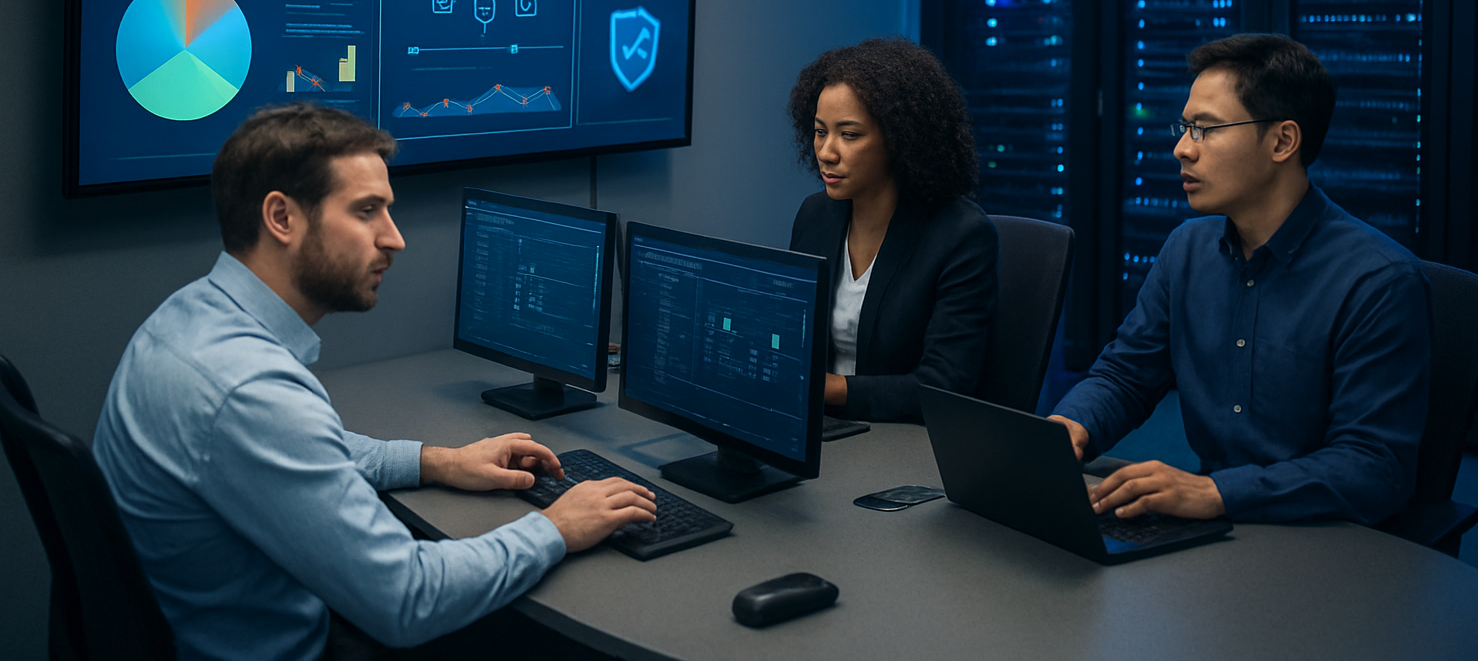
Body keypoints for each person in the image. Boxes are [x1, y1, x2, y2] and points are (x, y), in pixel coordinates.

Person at [93, 103, 657, 661]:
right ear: (281, 218)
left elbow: (302, 454)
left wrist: (436, 461)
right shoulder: (248, 391)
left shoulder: (189, 318)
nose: (395, 238)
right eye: (367, 211)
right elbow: (408, 600)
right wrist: (558, 528)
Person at [1049, 34, 1431, 526]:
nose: (1182, 149)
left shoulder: (1379, 282)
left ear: (1282, 141)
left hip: (1323, 542)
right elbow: (1126, 375)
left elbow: (1374, 468)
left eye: (1205, 130)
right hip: (1216, 530)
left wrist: (1217, 493)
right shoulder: (1186, 250)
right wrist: (1070, 425)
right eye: (1185, 127)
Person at [786, 37, 998, 423]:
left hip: (901, 444)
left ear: (901, 139)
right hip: (821, 431)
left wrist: (822, 386)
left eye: (849, 135)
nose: (826, 151)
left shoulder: (961, 236)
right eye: (820, 131)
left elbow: (941, 388)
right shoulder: (815, 215)